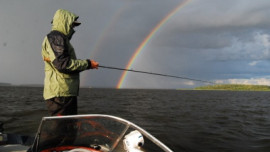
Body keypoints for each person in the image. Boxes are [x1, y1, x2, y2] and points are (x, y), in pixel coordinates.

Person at [41, 9, 99, 116]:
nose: (73, 28)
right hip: (60, 94)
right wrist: (88, 64)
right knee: (61, 129)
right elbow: (63, 64)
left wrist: (88, 64)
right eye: (72, 25)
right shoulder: (56, 37)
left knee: (68, 127)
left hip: (64, 92)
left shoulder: (59, 38)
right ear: (64, 22)